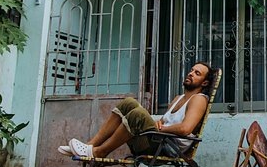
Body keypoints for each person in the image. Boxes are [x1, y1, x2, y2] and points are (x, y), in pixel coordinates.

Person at [59, 62, 214, 159]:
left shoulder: (199, 99)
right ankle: (90, 147)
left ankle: (100, 152)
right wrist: (159, 124)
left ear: (205, 82)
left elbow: (186, 128)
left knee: (138, 114)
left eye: (197, 73)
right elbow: (162, 122)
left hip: (169, 147)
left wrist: (162, 128)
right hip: (157, 139)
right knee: (129, 103)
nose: (191, 73)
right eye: (192, 70)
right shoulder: (177, 99)